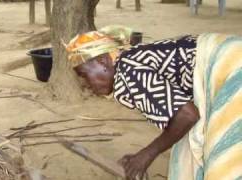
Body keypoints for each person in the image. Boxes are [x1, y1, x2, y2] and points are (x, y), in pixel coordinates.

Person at [65, 26, 242, 180]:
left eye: (83, 75)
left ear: (103, 62)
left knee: (225, 162)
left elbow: (187, 116)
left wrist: (146, 155)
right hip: (229, 56)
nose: (84, 85)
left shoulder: (128, 73)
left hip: (232, 66)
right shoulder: (128, 61)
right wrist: (141, 157)